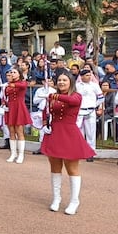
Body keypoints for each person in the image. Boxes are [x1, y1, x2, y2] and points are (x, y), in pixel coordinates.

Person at [40, 71, 95, 215]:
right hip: (54, 132)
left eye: (64, 80)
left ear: (71, 82)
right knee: (55, 167)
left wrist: (53, 95)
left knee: (72, 169)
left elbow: (73, 102)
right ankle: (56, 198)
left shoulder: (76, 96)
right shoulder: (52, 97)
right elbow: (46, 111)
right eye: (59, 80)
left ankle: (74, 201)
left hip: (69, 134)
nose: (61, 82)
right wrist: (45, 123)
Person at [2, 67, 32, 163]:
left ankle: (21, 154)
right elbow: (6, 94)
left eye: (14, 72)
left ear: (19, 74)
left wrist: (10, 84)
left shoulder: (22, 82)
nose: (12, 74)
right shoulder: (7, 85)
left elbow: (22, 86)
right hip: (10, 108)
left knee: (19, 131)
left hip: (19, 107)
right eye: (11, 72)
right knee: (11, 131)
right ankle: (13, 153)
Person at [76, 68, 104, 161]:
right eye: (87, 75)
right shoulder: (77, 86)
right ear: (82, 76)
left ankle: (90, 152)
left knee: (91, 132)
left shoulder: (95, 85)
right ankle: (80, 151)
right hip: (79, 111)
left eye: (90, 75)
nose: (89, 77)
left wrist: (94, 105)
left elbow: (101, 98)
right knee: (79, 132)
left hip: (90, 111)